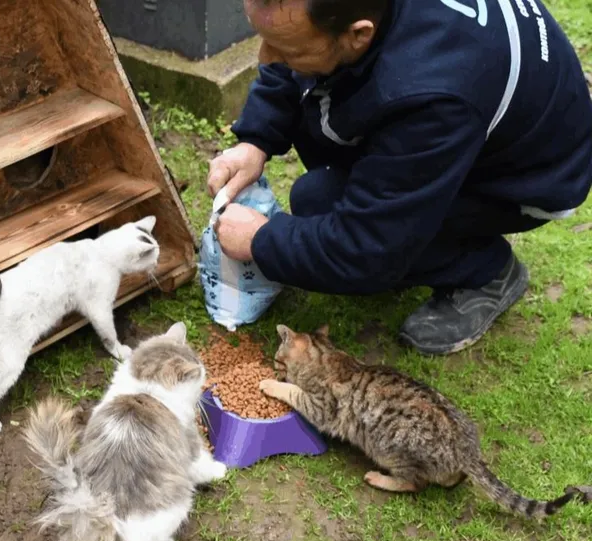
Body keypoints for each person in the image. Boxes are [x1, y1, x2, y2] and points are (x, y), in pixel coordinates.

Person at [208, 0, 592, 355]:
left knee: (320, 202)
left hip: (532, 177)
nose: (265, 56)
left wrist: (262, 241)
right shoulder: (355, 18)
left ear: (359, 34)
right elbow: (290, 56)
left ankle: (486, 272)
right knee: (325, 191)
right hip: (480, 112)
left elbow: (367, 247)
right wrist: (255, 140)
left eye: (288, 51)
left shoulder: (433, 93)